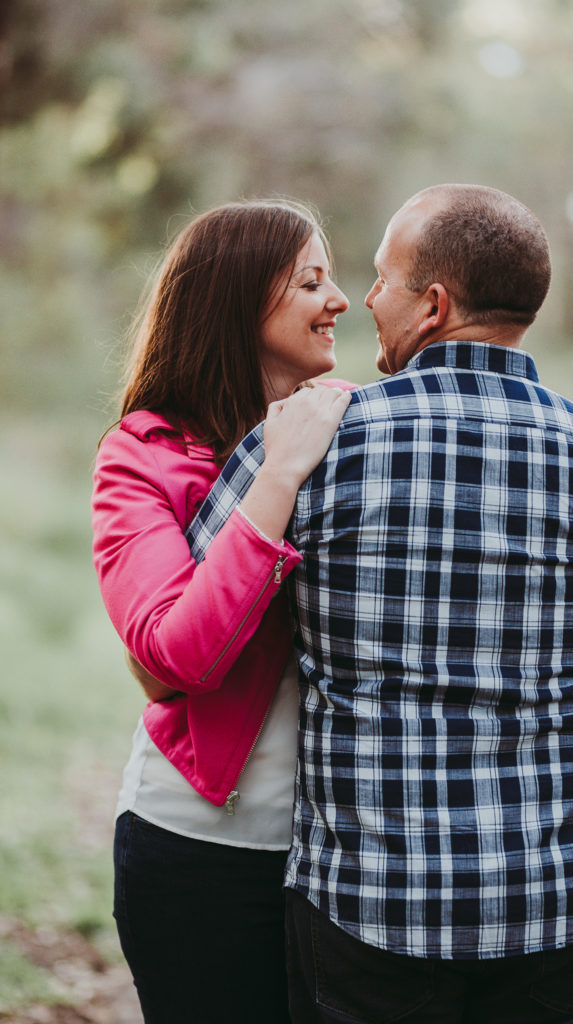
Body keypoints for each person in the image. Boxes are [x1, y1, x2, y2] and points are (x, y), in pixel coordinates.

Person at [191, 185, 573, 1023]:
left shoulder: (315, 440)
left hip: (373, 914)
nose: (364, 301)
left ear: (433, 306)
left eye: (382, 279)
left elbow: (201, 601)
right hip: (559, 905)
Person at [90, 199, 351, 1023]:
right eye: (312, 280)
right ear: (240, 302)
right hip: (201, 853)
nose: (339, 299)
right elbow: (177, 654)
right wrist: (276, 479)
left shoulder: (350, 426)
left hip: (348, 862)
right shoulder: (145, 452)